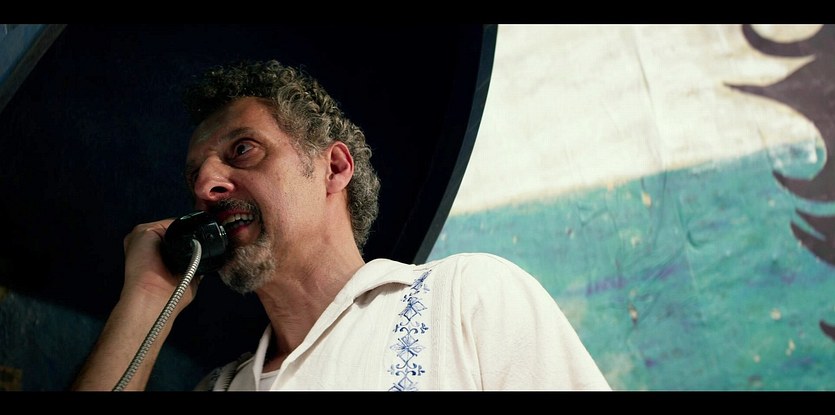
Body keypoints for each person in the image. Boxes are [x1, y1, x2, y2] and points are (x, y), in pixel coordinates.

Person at [71, 60, 611, 391]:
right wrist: (146, 300)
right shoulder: (222, 388)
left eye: (243, 150)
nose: (207, 184)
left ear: (333, 167)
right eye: (196, 175)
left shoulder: (466, 299)